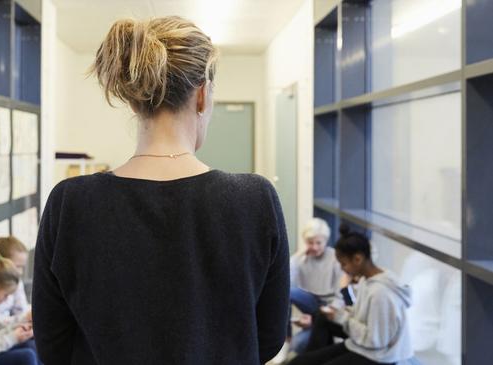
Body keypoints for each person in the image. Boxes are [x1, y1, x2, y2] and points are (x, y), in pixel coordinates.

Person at [32, 16, 290, 364]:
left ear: (135, 100)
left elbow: (52, 344)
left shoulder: (70, 203)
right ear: (202, 95)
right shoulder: (255, 200)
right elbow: (270, 336)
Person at [289, 225, 413, 365]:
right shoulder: (367, 280)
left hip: (378, 356)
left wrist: (341, 316)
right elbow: (359, 313)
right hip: (362, 344)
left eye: (343, 264)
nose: (342, 269)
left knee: (302, 355)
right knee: (319, 321)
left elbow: (375, 341)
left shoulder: (380, 294)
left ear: (358, 259)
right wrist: (341, 313)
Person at [287, 218, 344, 354]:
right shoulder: (301, 259)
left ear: (326, 241)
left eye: (319, 242)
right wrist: (299, 254)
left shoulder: (336, 259)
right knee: (286, 291)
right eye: (310, 243)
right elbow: (284, 280)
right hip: (310, 304)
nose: (314, 247)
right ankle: (285, 337)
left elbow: (340, 297)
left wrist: (315, 319)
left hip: (329, 308)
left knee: (297, 345)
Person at [0, 236, 32, 328]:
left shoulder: (16, 281)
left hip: (12, 328)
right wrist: (23, 318)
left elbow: (21, 309)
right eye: (17, 266)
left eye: (22, 267)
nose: (20, 272)